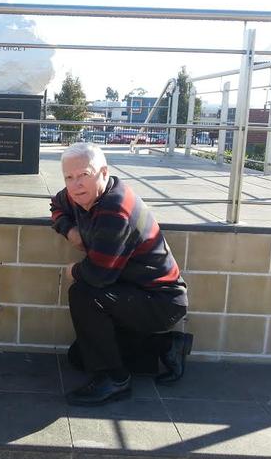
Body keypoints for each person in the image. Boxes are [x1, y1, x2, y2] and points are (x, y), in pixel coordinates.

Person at [50, 143, 192, 407]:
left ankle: (115, 380)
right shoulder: (80, 194)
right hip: (130, 291)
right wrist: (70, 230)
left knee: (83, 292)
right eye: (69, 177)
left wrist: (73, 271)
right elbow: (56, 204)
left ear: (103, 172)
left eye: (84, 174)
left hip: (160, 301)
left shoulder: (115, 209)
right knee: (79, 357)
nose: (75, 184)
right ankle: (166, 347)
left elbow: (97, 276)